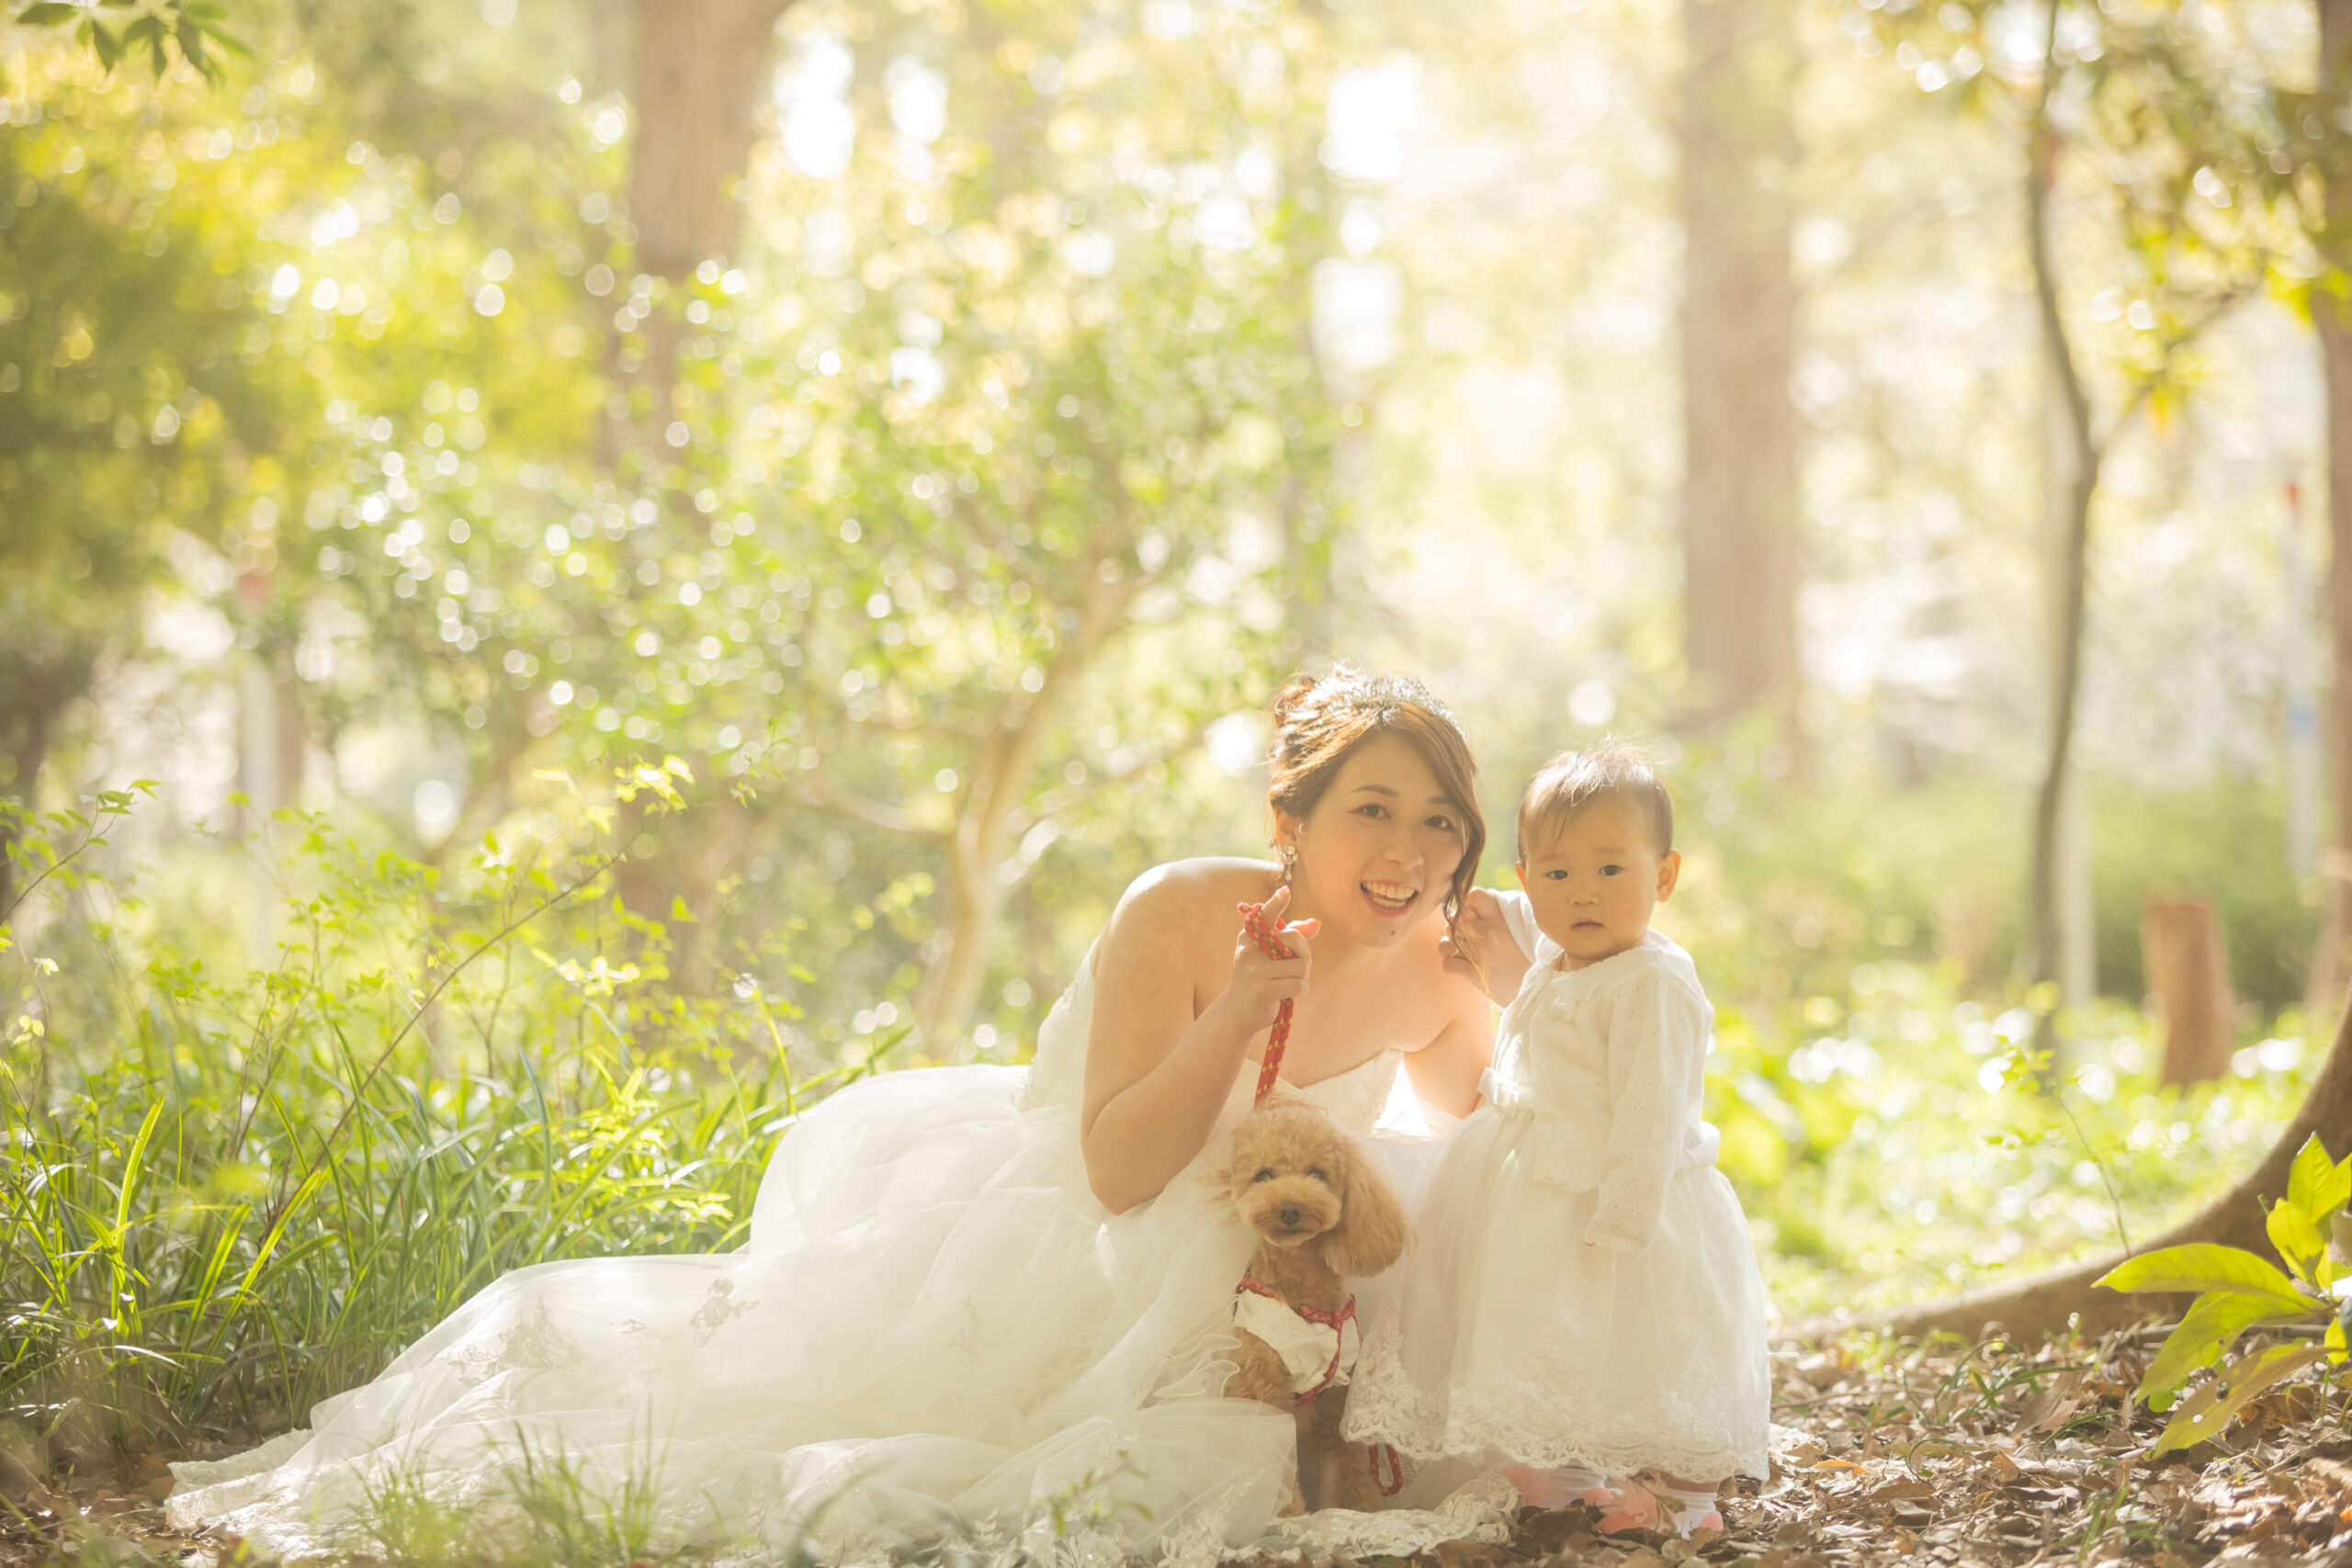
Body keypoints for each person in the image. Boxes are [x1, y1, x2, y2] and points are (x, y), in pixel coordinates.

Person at [168, 668, 1518, 1565]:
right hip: (1085, 1236)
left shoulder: (1446, 962)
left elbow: (1498, 1142)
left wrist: (1525, 994)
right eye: (1372, 811)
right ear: (1291, 819)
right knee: (1034, 1465)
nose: (1409, 855)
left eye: (1442, 824)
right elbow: (1116, 1176)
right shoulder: (1181, 910)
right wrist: (1236, 1014)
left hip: (1277, 1268)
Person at [1343, 741, 1770, 1538]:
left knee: (1643, 1338)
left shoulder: (1650, 980)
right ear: (1530, 876)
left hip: (1621, 1198)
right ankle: (1567, 1471)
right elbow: (1526, 937)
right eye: (1558, 873)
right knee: (1551, 1332)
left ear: (1664, 876)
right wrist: (1484, 909)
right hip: (1540, 1184)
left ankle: (1686, 1497)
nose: (1583, 892)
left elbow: (1650, 1108)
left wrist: (1626, 1214)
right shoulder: (1564, 955)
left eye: (1610, 869)